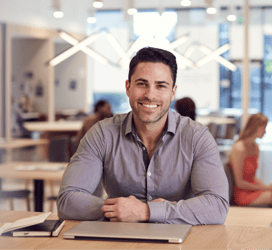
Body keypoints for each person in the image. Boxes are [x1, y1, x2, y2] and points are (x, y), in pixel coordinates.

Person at [57, 47, 229, 225]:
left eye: (161, 85)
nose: (150, 95)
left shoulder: (197, 137)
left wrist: (145, 211)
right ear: (128, 87)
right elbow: (67, 201)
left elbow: (217, 206)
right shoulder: (102, 134)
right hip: (118, 238)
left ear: (173, 92)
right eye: (142, 84)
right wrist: (119, 211)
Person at [228, 113, 272, 208]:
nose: (265, 132)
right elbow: (240, 183)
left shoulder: (255, 147)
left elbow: (253, 177)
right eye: (264, 128)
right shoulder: (239, 148)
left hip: (252, 190)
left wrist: (267, 188)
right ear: (256, 127)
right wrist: (264, 188)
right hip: (243, 194)